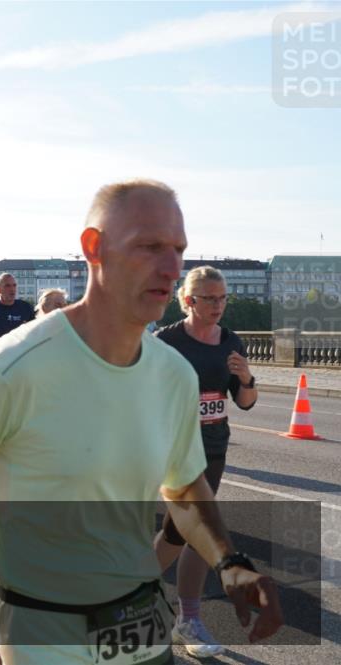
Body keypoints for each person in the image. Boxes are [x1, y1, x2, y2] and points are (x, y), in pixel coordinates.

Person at [0, 180, 282, 664]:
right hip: (44, 629)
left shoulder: (172, 373)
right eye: (149, 246)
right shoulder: (15, 365)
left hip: (143, 623)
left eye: (178, 249)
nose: (170, 266)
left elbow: (182, 488)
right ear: (93, 248)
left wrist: (229, 561)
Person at [154, 265, 259, 658]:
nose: (218, 305)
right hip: (173, 448)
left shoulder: (231, 341)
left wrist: (246, 378)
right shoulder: (166, 341)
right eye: (209, 298)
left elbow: (245, 403)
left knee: (179, 533)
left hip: (213, 447)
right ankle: (186, 618)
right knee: (194, 528)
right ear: (188, 300)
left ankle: (135, 599)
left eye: (223, 298)